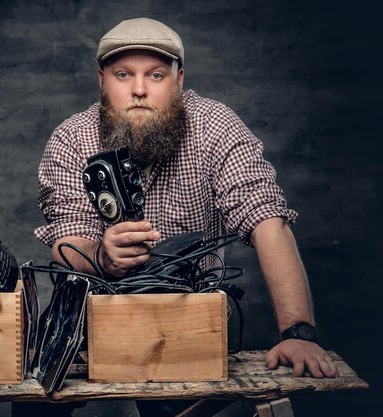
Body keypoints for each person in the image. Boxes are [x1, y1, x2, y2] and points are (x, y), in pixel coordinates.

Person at [29, 17, 337, 416]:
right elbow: (68, 236)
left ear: (179, 79)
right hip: (93, 307)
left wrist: (297, 332)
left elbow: (266, 220)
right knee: (37, 397)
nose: (139, 89)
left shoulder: (216, 127)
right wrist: (102, 259)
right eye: (124, 74)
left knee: (170, 404)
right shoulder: (72, 139)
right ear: (102, 80)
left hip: (188, 309)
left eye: (155, 75)